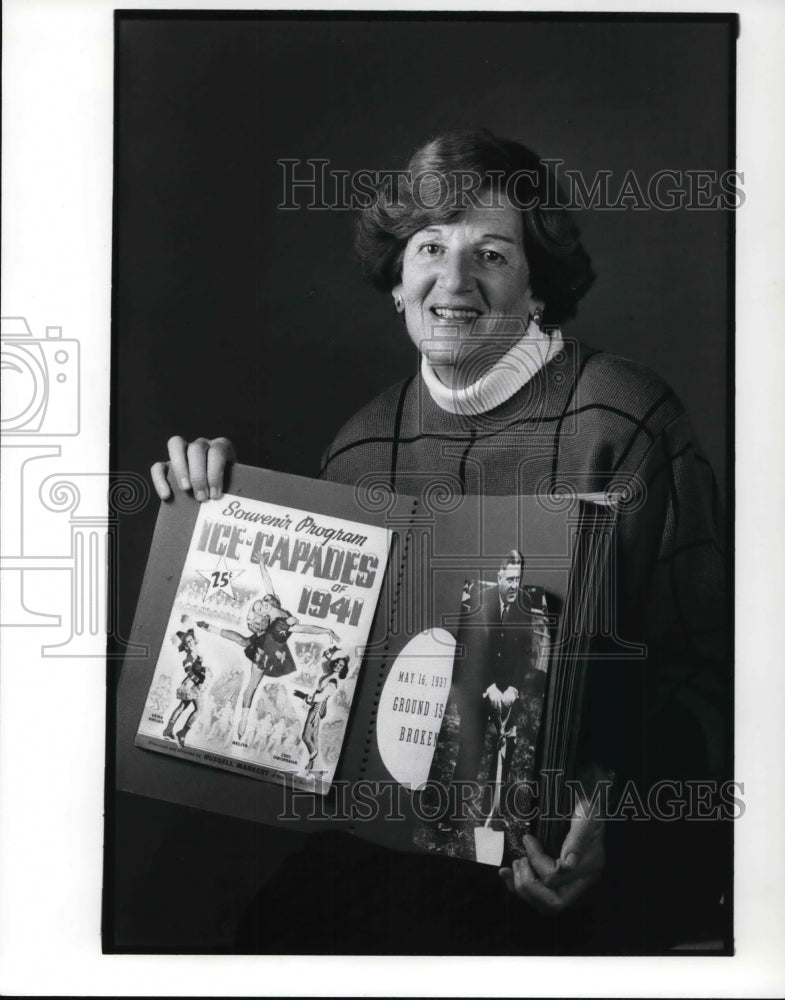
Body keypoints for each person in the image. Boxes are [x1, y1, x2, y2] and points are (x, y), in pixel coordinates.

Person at [150, 129, 727, 950]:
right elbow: (334, 683)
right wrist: (210, 514)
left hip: (571, 846)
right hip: (408, 850)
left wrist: (607, 820)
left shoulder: (623, 413)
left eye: (491, 253)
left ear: (538, 286)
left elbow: (709, 670)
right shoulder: (358, 444)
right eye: (429, 248)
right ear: (396, 281)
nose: (453, 282)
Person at [196, 556, 340, 740]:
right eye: (260, 607)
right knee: (247, 664)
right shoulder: (278, 620)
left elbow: (268, 583)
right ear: (263, 614)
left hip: (275, 650)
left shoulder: (273, 602)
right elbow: (303, 628)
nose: (263, 602)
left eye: (264, 602)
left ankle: (213, 629)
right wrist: (320, 629)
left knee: (248, 651)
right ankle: (243, 721)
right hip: (264, 647)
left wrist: (262, 564)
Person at [295, 647, 351, 774]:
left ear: (343, 668)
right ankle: (315, 768)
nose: (337, 665)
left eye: (341, 665)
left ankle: (311, 764)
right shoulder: (328, 674)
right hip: (316, 705)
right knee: (313, 737)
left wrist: (303, 696)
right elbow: (323, 662)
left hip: (318, 707)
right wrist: (332, 652)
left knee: (306, 737)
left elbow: (322, 696)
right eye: (336, 662)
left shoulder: (333, 679)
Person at [162, 628, 207, 748]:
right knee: (199, 710)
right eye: (188, 642)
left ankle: (168, 731)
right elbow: (188, 670)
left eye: (191, 640)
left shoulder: (195, 650)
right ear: (186, 646)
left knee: (182, 706)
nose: (191, 642)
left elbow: (196, 668)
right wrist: (198, 680)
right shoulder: (190, 654)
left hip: (190, 683)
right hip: (192, 684)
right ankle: (182, 734)